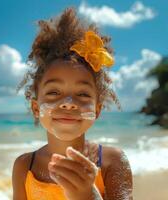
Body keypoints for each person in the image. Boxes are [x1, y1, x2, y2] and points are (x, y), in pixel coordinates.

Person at [13, 7, 133, 200]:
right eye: (54, 92)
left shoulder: (112, 162)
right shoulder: (24, 166)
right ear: (36, 108)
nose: (69, 104)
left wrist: (89, 196)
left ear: (97, 109)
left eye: (82, 94)